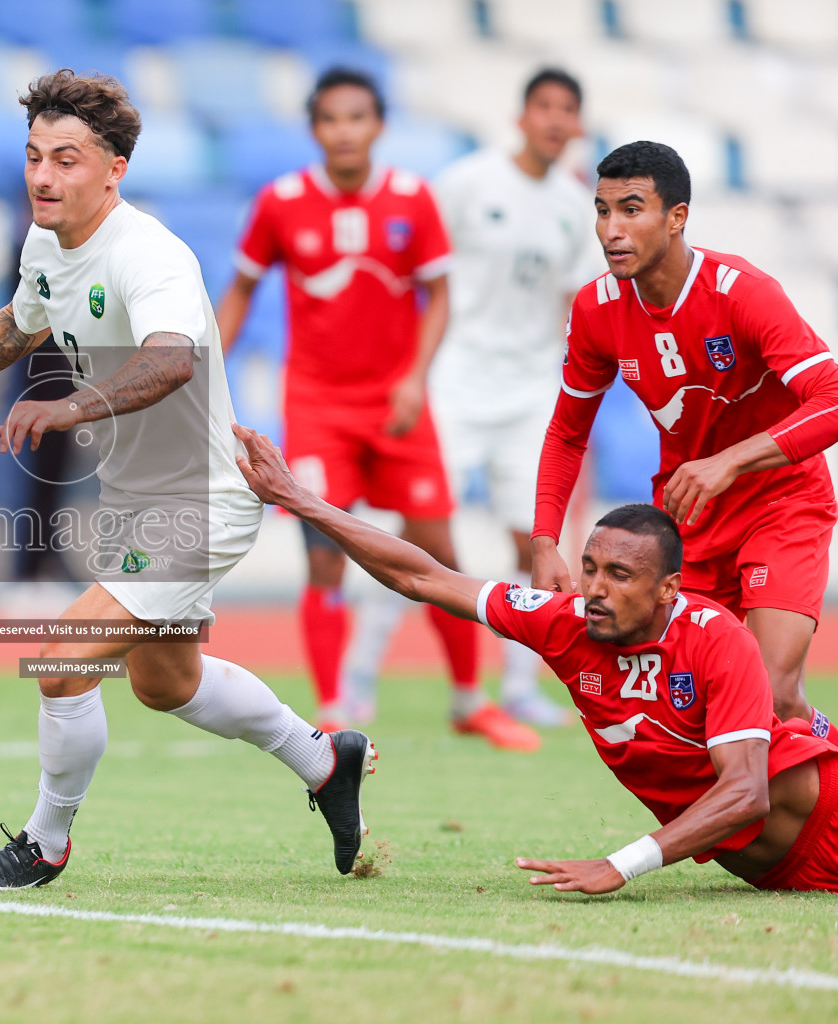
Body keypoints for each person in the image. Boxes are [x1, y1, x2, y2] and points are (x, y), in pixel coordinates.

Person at [0, 71, 377, 890]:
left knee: (62, 660)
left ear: (113, 168)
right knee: (165, 682)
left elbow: (172, 360)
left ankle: (44, 844)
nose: (43, 176)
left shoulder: (149, 253)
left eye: (66, 159)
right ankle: (326, 761)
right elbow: (20, 320)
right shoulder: (47, 242)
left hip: (198, 501)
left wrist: (71, 406)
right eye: (34, 157)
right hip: (135, 499)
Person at [235, 423, 838, 893]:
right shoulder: (565, 622)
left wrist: (619, 865)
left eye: (621, 575)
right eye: (592, 569)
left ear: (668, 590)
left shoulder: (716, 637)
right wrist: (299, 499)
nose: (597, 588)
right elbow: (422, 576)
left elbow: (747, 794)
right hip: (771, 876)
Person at [216, 67, 538, 751]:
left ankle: (466, 699)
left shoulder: (413, 200)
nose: (344, 131)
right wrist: (205, 364)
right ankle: (332, 708)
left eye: (356, 117)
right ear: (315, 130)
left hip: (398, 404)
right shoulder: (281, 202)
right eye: (331, 119)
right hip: (318, 407)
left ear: (378, 126)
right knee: (325, 554)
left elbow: (440, 295)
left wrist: (417, 377)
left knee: (440, 549)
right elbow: (242, 288)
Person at [532, 141, 838, 738]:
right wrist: (545, 539)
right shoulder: (596, 308)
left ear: (677, 217)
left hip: (783, 502)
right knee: (685, 695)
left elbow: (832, 396)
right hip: (690, 516)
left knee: (768, 691)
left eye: (632, 209)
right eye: (603, 211)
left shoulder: (741, 291)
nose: (612, 230)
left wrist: (728, 462)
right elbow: (568, 431)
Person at [426, 68, 598, 728]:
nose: (555, 120)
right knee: (419, 525)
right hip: (455, 378)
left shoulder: (574, 205)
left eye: (567, 109)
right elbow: (425, 276)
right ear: (521, 116)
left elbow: (572, 302)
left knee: (536, 540)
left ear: (577, 124)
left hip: (529, 391)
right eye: (544, 106)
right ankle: (356, 680)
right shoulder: (467, 182)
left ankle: (522, 686)